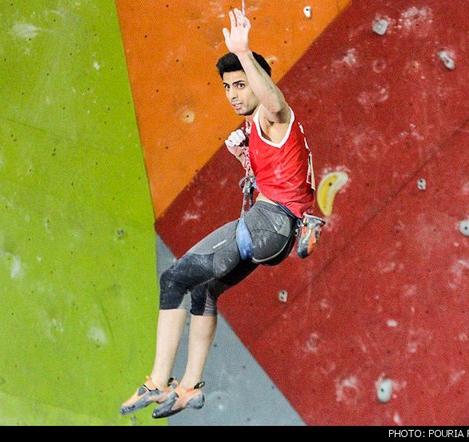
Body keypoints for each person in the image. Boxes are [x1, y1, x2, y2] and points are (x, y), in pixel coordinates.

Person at [119, 4, 324, 420]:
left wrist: (244, 52)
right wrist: (248, 158)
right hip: (276, 234)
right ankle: (190, 387)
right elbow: (289, 178)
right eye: (228, 86)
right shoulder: (261, 130)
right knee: (205, 290)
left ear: (258, 82)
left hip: (268, 225)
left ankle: (157, 381)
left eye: (241, 85)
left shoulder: (274, 116)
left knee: (174, 278)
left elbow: (275, 101)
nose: (233, 94)